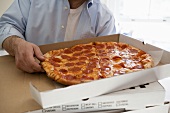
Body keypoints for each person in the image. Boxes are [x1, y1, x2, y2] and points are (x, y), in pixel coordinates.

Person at [0, 0, 117, 73]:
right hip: (28, 75)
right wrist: (16, 44)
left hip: (81, 87)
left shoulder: (105, 18)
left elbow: (105, 64)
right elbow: (6, 25)